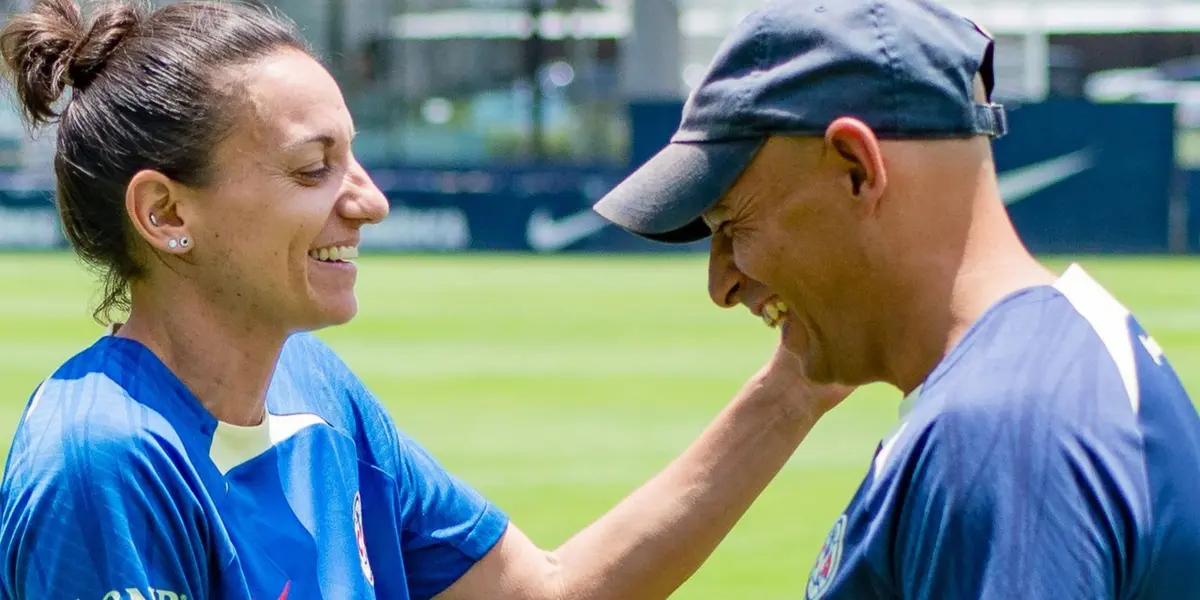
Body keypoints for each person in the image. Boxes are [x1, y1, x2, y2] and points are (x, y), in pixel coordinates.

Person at [0, 1, 855, 599]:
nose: (368, 201)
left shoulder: (314, 387)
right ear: (166, 213)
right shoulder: (106, 460)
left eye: (354, 157)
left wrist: (799, 385)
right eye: (312, 168)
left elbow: (541, 593)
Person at [592, 0, 1200, 598]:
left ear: (856, 168)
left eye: (732, 223)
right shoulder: (1051, 361)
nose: (720, 284)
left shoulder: (1000, 434)